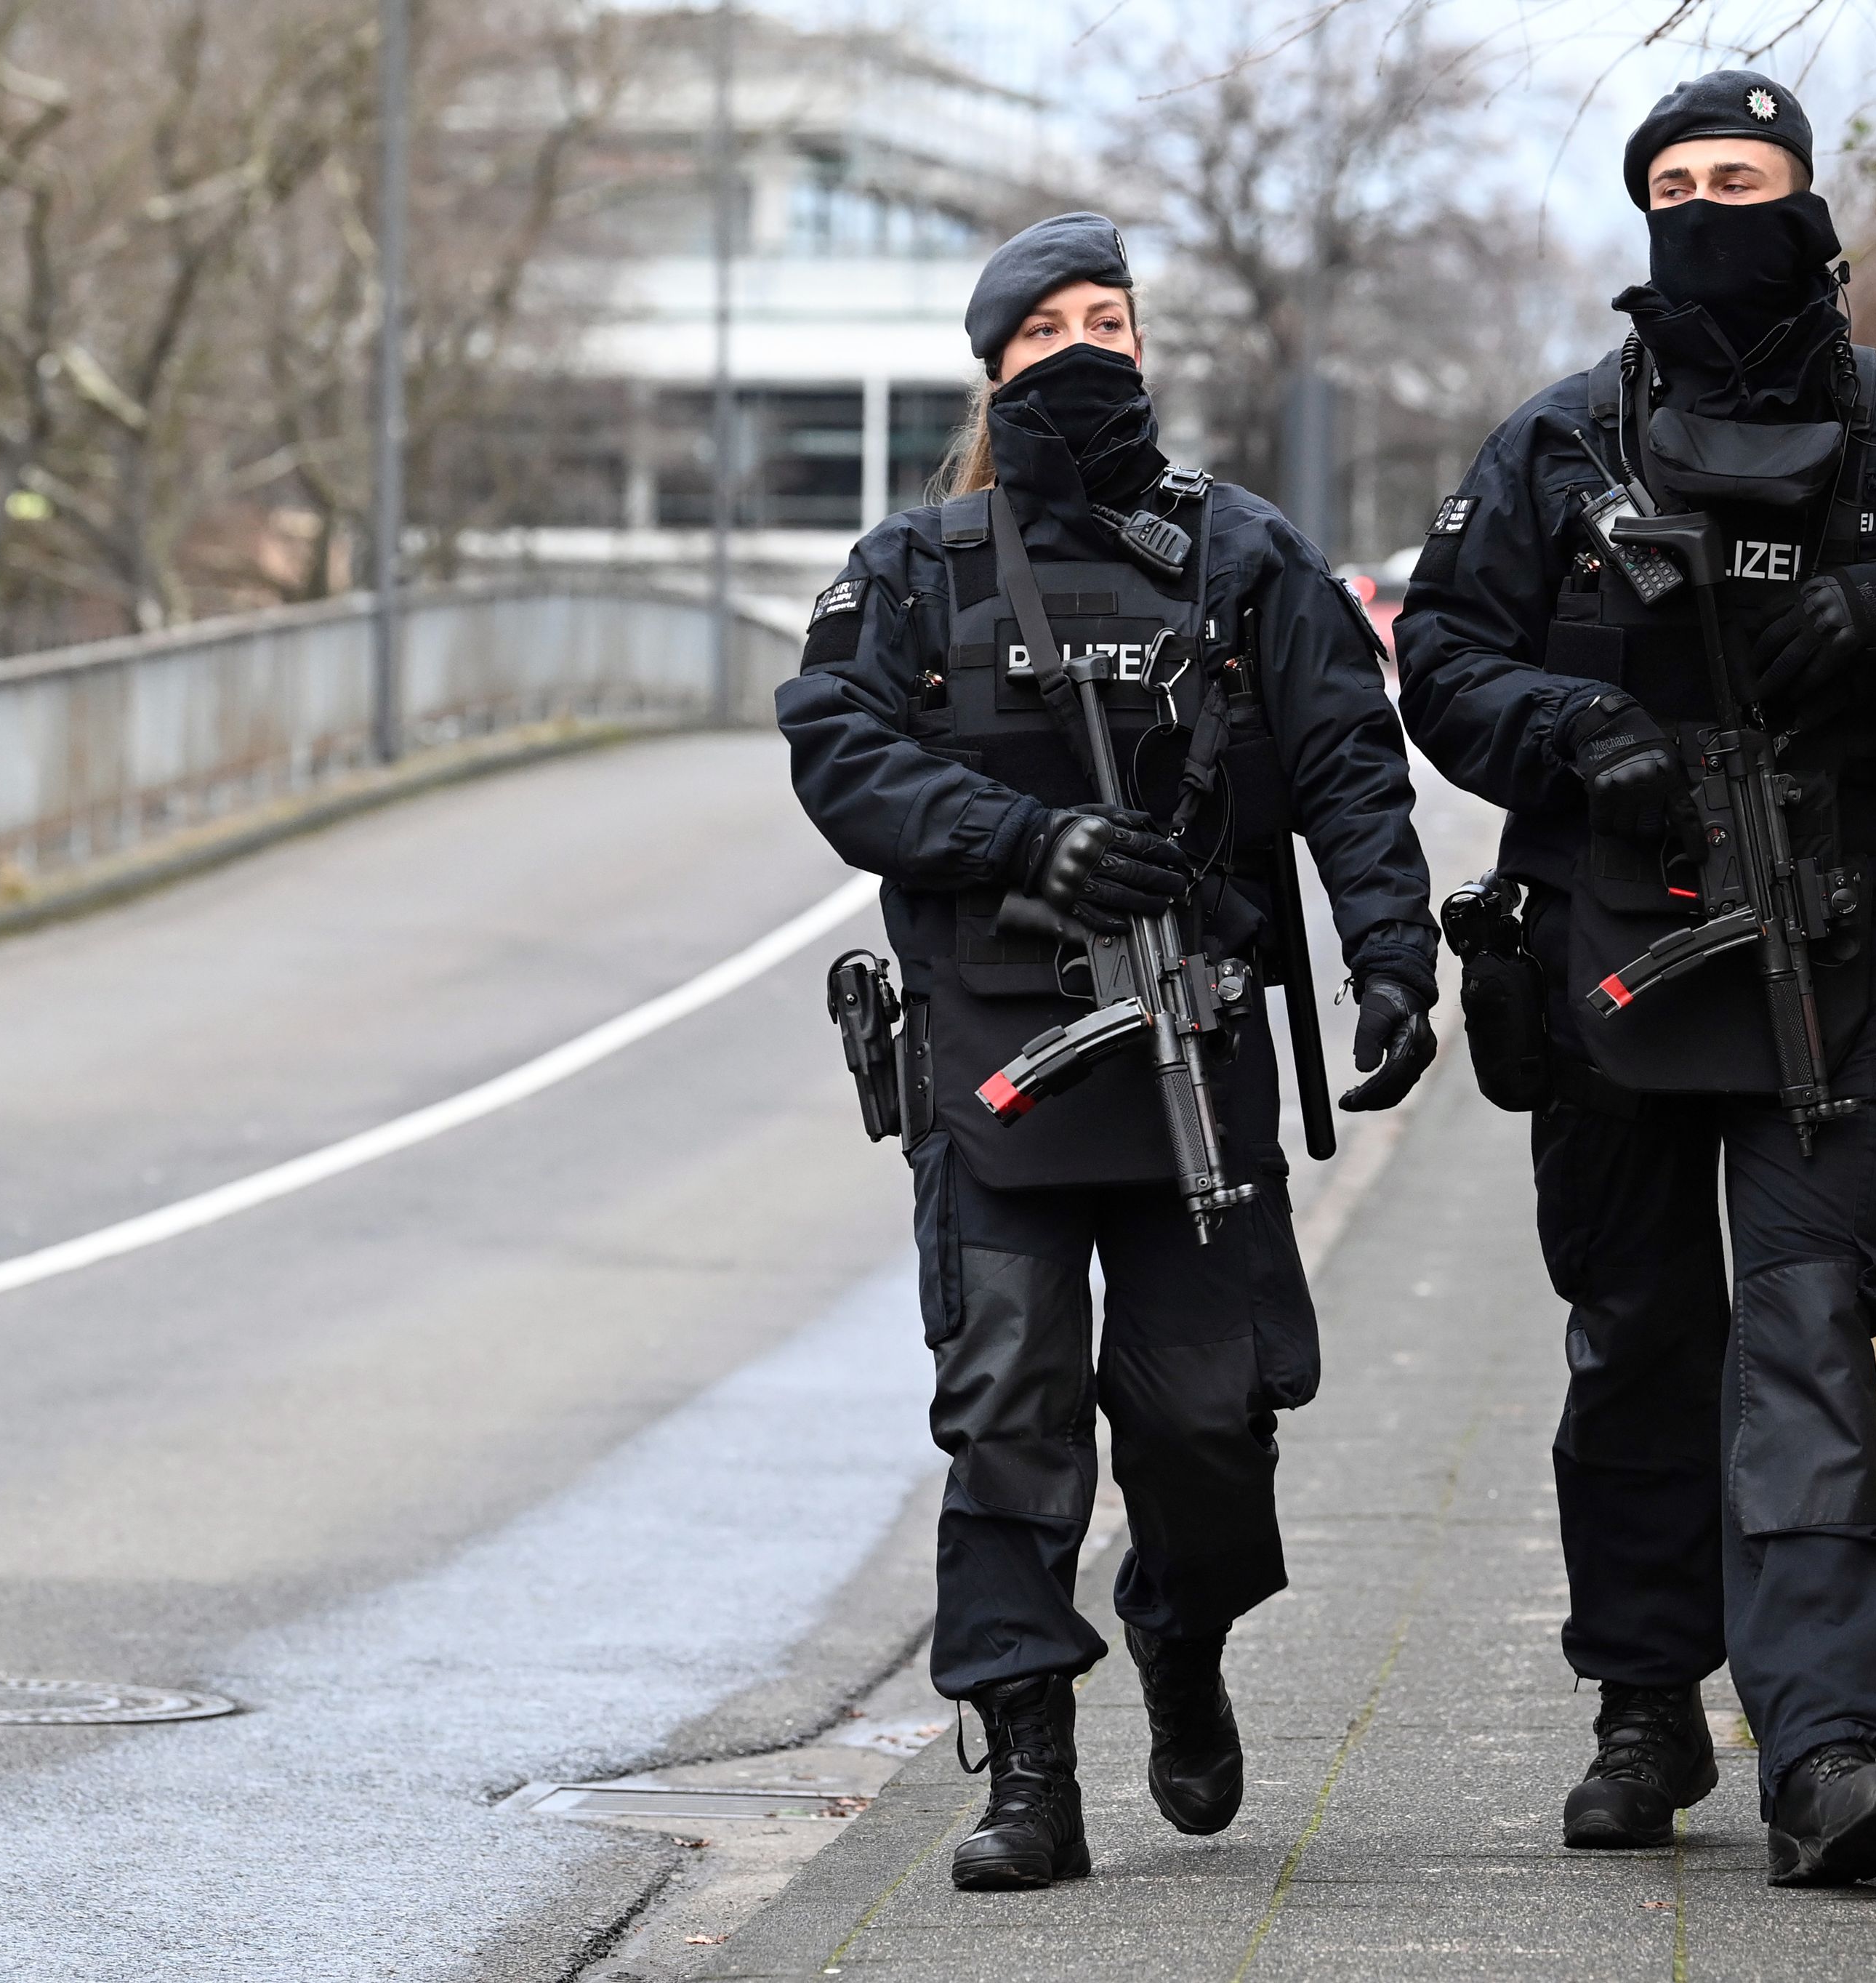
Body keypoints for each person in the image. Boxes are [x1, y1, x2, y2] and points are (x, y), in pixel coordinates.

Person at [1396, 74, 1876, 1886]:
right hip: (1602, 961)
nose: (1710, 207)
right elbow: (1438, 658)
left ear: (1807, 203)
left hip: (1826, 950)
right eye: (1677, 184)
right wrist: (1571, 728)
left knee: (1804, 1338)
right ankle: (1644, 1708)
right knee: (1639, 1341)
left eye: (1743, 179)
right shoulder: (1556, 448)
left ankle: (1832, 1745)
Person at [778, 213, 1441, 1891]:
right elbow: (837, 751)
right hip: (995, 1074)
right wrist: (1022, 840)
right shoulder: (914, 567)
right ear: (995, 366)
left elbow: (1350, 762)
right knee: (1005, 1413)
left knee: (1208, 1426)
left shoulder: (1242, 554)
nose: (1088, 345)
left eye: (1112, 319)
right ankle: (1026, 1765)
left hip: (1192, 1065)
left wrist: (1387, 955)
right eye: (1051, 325)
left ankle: (1179, 1629)